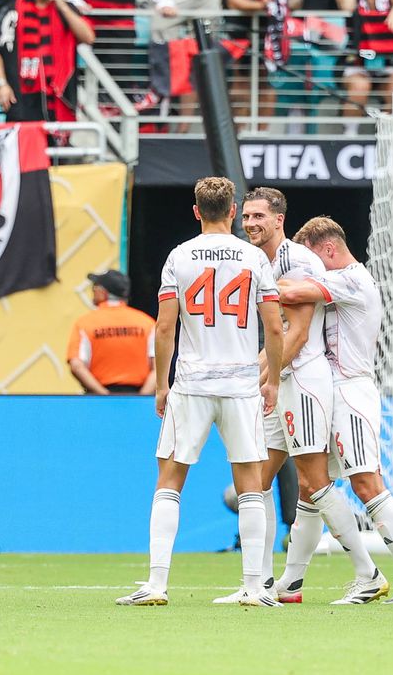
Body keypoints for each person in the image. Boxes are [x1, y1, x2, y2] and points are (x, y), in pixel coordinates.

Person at [116, 177, 284, 607]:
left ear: (196, 211)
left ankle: (156, 584)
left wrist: (161, 384)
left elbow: (165, 326)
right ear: (232, 211)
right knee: (249, 484)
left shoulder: (179, 256)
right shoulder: (253, 257)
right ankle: (253, 586)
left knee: (169, 480)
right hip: (241, 383)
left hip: (192, 381)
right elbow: (273, 325)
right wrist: (274, 379)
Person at [241, 189, 392, 605]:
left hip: (306, 378)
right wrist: (256, 373)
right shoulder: (263, 261)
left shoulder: (300, 261)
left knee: (314, 482)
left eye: (259, 216)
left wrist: (266, 379)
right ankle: (261, 583)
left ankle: (370, 572)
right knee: (256, 480)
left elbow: (299, 333)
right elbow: (277, 333)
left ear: (279, 219)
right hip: (285, 377)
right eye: (247, 216)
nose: (251, 223)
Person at [278, 216, 393, 605]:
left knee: (366, 483)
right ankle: (292, 582)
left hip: (352, 390)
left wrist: (263, 279)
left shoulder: (351, 279)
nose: (309, 266)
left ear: (328, 249)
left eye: (312, 258)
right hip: (329, 392)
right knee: (311, 487)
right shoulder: (338, 281)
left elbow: (294, 292)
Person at [0, 0, 94, 121]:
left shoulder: (67, 9)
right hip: (22, 96)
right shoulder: (12, 10)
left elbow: (88, 37)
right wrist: (2, 85)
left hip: (59, 95)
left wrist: (61, 5)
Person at [65, 269, 156, 395]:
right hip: (138, 397)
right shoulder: (148, 323)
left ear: (103, 292)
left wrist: (104, 395)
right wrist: (142, 397)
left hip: (98, 400)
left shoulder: (84, 323)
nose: (92, 291)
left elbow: (76, 365)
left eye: (94, 287)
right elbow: (159, 368)